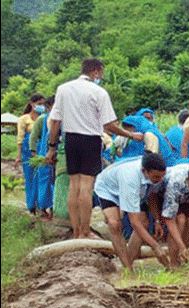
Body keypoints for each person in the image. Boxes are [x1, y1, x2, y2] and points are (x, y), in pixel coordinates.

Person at [47, 58, 145, 239]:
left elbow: (55, 122)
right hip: (91, 139)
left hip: (70, 139)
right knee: (86, 186)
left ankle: (75, 230)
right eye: (101, 72)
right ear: (96, 71)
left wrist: (52, 147)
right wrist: (131, 135)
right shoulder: (99, 92)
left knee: (73, 185)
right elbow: (109, 125)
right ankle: (85, 231)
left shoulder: (63, 89)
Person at [93, 153, 169, 269]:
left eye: (162, 176)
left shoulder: (156, 176)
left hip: (139, 191)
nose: (160, 180)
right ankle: (128, 269)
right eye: (156, 177)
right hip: (109, 190)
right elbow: (134, 222)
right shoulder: (130, 178)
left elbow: (152, 196)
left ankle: (127, 264)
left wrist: (157, 220)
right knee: (115, 224)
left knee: (144, 223)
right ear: (144, 171)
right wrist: (156, 247)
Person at [16, 94, 45, 215]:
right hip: (27, 150)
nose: (41, 106)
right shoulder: (24, 119)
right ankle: (31, 205)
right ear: (32, 104)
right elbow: (20, 138)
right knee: (30, 177)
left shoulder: (43, 118)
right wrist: (18, 156)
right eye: (39, 103)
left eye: (43, 104)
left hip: (41, 148)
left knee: (41, 176)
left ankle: (41, 204)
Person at [29, 97, 55, 219]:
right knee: (44, 181)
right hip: (44, 154)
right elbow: (33, 137)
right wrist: (34, 153)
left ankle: (54, 207)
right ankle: (42, 208)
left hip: (57, 154)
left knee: (55, 182)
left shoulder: (60, 118)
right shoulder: (42, 119)